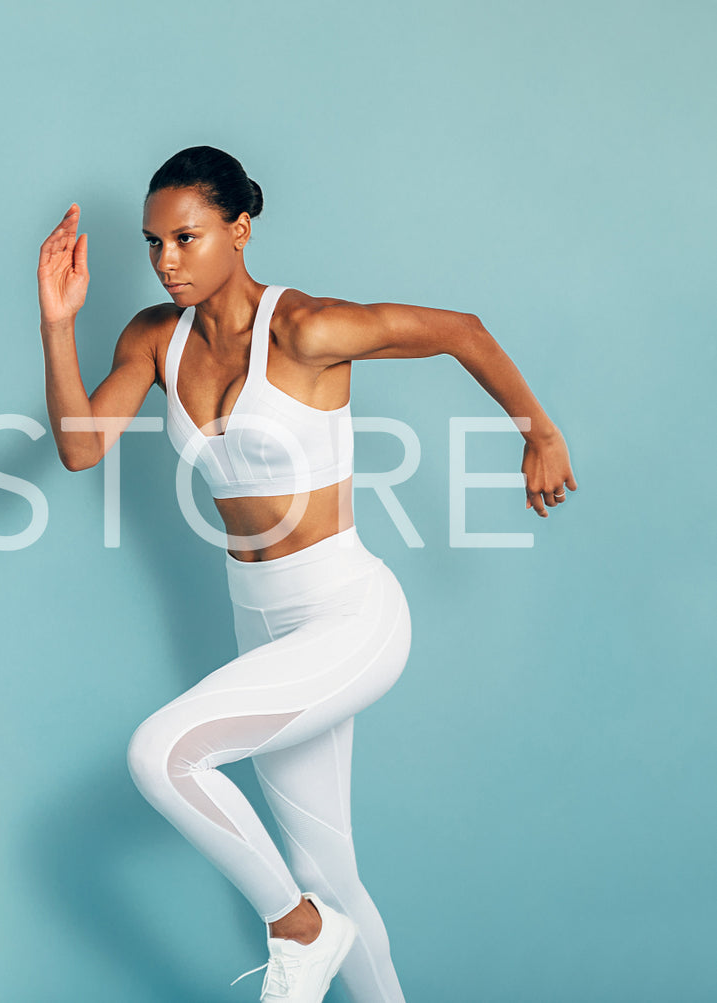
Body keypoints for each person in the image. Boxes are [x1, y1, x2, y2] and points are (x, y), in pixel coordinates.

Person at [35, 146, 576, 1003]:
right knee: (331, 872)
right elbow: (77, 446)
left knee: (161, 756)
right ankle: (324, 927)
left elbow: (458, 331)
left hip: (348, 617)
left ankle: (297, 930)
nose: (166, 261)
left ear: (239, 228)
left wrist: (538, 432)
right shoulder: (152, 338)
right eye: (152, 244)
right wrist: (58, 322)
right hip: (261, 620)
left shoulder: (305, 328)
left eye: (185, 237)